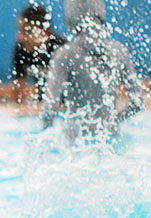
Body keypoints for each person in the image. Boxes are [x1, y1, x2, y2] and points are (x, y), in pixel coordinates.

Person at [40, 0, 144, 138]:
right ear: (101, 16)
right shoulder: (118, 51)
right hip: (110, 138)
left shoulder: (66, 55)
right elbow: (138, 102)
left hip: (76, 141)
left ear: (70, 20)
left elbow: (49, 108)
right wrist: (113, 121)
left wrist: (46, 138)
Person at [11, 4, 66, 106]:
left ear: (46, 32)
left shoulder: (62, 50)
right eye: (19, 30)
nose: (21, 37)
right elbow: (18, 87)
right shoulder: (21, 50)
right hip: (44, 103)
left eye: (27, 32)